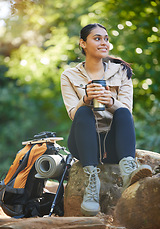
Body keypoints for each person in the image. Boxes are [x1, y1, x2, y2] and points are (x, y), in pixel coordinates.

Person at [61, 23, 152, 216]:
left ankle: (128, 171)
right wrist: (85, 99)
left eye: (106, 39)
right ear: (83, 43)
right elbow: (72, 114)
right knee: (83, 112)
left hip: (114, 146)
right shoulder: (69, 75)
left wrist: (111, 101)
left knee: (122, 112)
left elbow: (127, 112)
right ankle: (91, 184)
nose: (104, 43)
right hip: (84, 144)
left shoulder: (121, 72)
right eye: (97, 38)